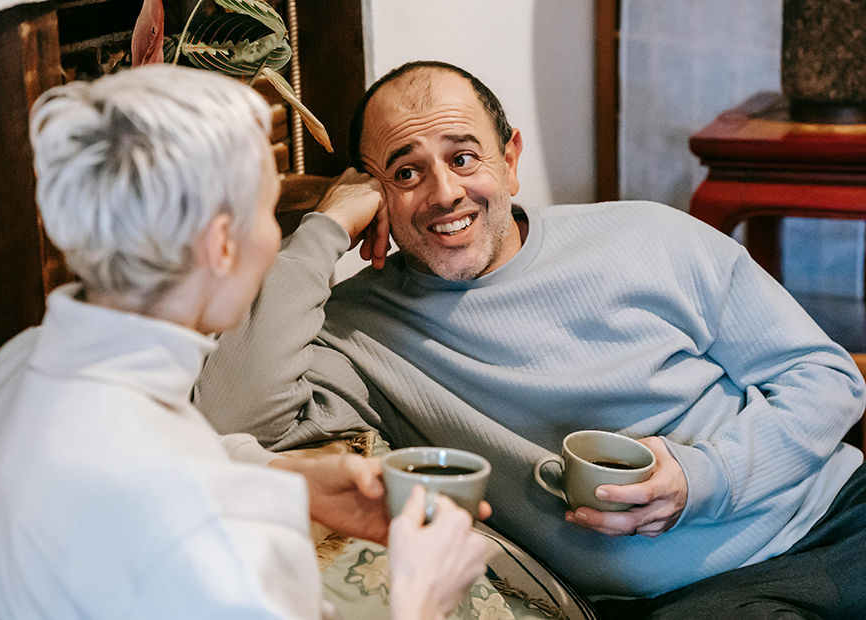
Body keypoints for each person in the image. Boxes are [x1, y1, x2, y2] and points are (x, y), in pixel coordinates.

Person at [194, 60, 866, 618]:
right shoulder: (359, 329)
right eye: (405, 173)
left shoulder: (650, 235)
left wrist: (701, 479)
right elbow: (232, 415)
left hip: (841, 515)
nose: (444, 193)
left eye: (464, 157)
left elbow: (825, 377)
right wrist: (324, 229)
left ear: (509, 159)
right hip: (700, 602)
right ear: (377, 196)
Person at [0, 64, 489, 620]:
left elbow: (156, 457)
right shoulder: (217, 552)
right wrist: (422, 598)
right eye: (267, 213)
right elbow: (162, 498)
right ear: (220, 246)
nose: (274, 239)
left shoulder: (22, 368)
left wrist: (284, 480)